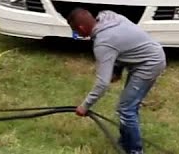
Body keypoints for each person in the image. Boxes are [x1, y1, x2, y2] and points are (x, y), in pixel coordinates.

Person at [69, 8, 166, 154]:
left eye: (76, 31)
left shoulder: (103, 43)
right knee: (127, 106)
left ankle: (134, 151)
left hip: (149, 64)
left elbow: (102, 83)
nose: (77, 35)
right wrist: (117, 71)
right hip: (145, 58)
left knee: (126, 109)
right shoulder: (108, 16)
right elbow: (122, 43)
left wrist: (85, 106)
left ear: (81, 28)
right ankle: (126, 141)